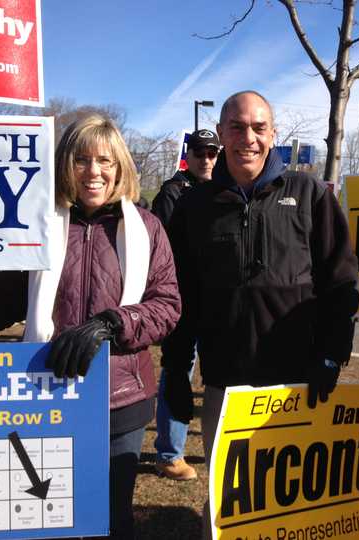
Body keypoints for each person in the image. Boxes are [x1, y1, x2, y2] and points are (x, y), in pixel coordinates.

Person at [0, 114, 182, 539]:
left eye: (105, 160)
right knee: (45, 516)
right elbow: (7, 297)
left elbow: (166, 306)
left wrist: (110, 323)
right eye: (81, 159)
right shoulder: (38, 223)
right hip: (45, 394)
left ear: (120, 166)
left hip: (119, 400)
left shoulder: (148, 228)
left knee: (111, 517)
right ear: (64, 165)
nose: (93, 171)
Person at [165, 90, 359, 467]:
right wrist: (175, 368)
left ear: (273, 134)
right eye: (237, 128)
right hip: (225, 383)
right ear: (221, 132)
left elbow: (341, 281)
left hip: (297, 384)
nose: (248, 138)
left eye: (259, 127)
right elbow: (182, 293)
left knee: (291, 506)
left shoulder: (310, 194)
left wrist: (333, 354)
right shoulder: (195, 206)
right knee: (226, 506)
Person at [150, 129, 221, 481]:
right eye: (199, 152)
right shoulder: (172, 192)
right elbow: (159, 251)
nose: (206, 158)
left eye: (212, 152)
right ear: (187, 155)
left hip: (218, 300)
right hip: (182, 301)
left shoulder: (224, 189)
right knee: (178, 372)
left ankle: (221, 446)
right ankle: (169, 454)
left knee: (220, 375)